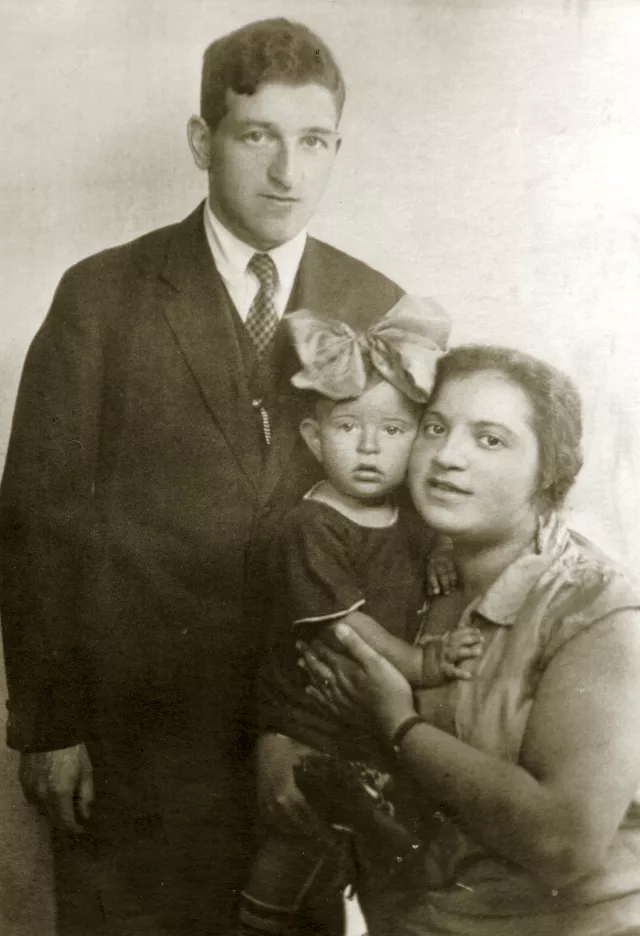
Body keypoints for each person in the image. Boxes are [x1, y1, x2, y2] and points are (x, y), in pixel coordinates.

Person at [0, 18, 407, 936]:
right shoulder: (102, 295)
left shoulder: (375, 308)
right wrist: (51, 726)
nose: (286, 173)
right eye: (256, 134)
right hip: (128, 746)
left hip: (303, 752)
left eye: (313, 142)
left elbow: (403, 528)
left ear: (338, 148)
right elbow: (36, 518)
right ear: (203, 141)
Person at [298, 345, 640, 936]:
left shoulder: (599, 610)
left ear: (550, 470)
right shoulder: (404, 579)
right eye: (434, 427)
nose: (446, 457)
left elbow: (563, 844)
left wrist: (397, 724)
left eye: (490, 440)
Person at [239, 299, 483, 935]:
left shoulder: (412, 518)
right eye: (348, 429)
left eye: (395, 431)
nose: (371, 449)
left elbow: (427, 553)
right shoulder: (312, 525)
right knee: (294, 843)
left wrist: (443, 550)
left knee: (383, 865)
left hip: (371, 726)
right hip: (312, 720)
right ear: (314, 440)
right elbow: (346, 626)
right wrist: (422, 663)